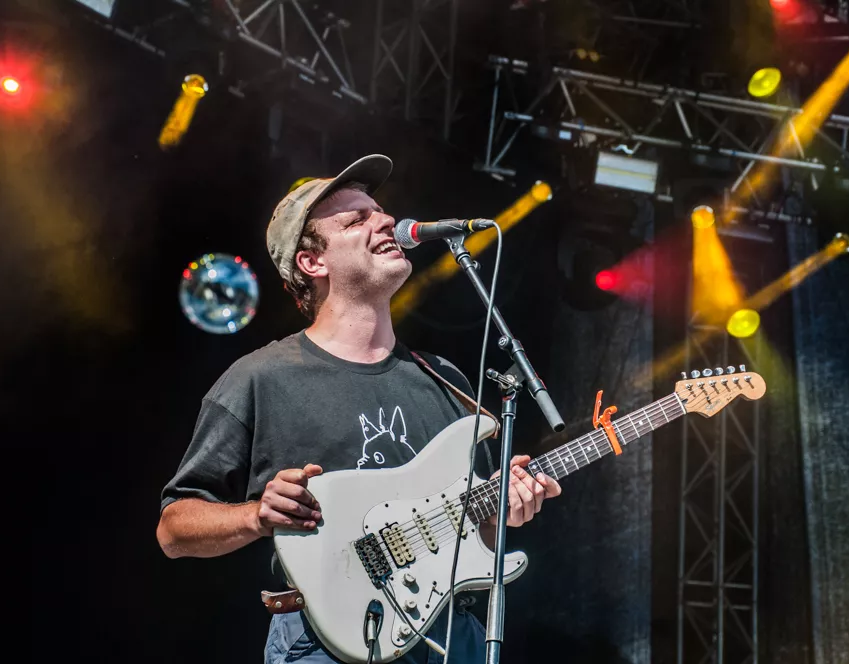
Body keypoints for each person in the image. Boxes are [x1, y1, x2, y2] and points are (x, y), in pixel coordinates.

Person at [156, 155, 561, 663]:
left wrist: (508, 508)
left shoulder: (447, 382)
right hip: (323, 642)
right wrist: (259, 515)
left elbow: (464, 532)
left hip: (448, 638)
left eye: (381, 212)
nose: (386, 221)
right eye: (356, 219)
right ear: (312, 262)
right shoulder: (260, 378)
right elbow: (174, 529)